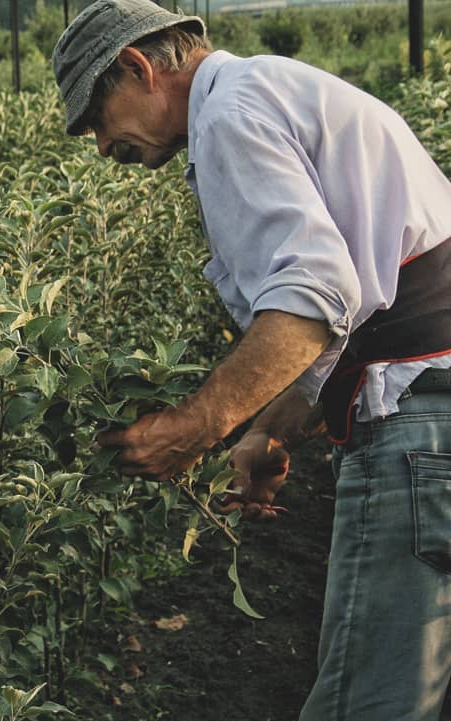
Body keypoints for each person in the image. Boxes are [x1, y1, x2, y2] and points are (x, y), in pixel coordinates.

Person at [52, 1, 451, 719]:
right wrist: (271, 430)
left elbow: (315, 295)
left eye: (97, 120)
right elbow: (359, 306)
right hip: (433, 411)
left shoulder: (231, 115)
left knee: (370, 704)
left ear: (139, 67)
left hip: (418, 432)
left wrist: (195, 425)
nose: (104, 148)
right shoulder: (271, 88)